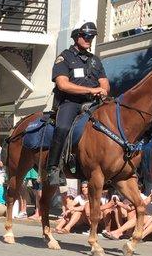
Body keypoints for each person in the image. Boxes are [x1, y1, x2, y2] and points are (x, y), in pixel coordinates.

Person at [46, 22, 110, 185]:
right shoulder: (65, 57)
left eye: (92, 37)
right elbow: (63, 84)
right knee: (63, 127)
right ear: (77, 37)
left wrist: (102, 90)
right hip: (71, 102)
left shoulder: (95, 60)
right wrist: (90, 90)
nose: (90, 39)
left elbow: (104, 82)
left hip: (94, 103)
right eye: (86, 36)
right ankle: (53, 168)